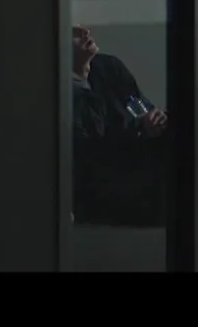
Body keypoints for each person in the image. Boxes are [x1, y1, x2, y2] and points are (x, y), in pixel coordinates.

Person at [72, 25, 168, 227]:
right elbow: (89, 152)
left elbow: (136, 104)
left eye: (82, 27)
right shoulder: (64, 93)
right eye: (72, 32)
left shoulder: (109, 67)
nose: (85, 32)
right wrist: (139, 128)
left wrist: (151, 118)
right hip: (106, 180)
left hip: (140, 155)